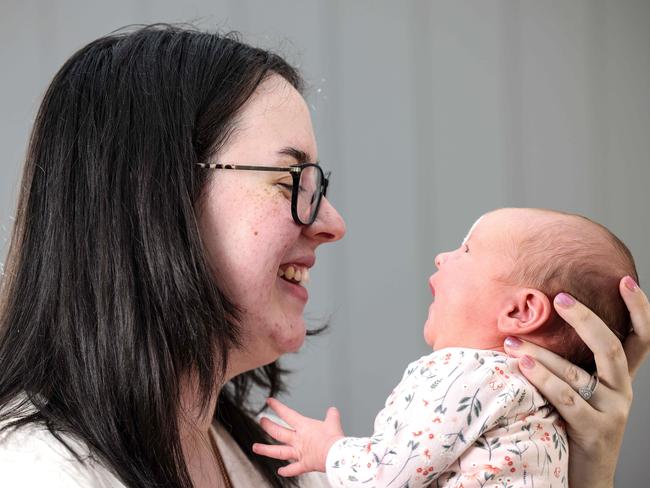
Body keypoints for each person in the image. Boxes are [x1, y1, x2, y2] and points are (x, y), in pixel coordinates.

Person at [0, 24, 647, 488]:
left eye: (321, 188)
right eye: (291, 182)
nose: (333, 224)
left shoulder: (261, 461)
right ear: (152, 194)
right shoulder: (35, 471)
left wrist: (580, 474)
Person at [253, 208, 638, 487]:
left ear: (521, 310)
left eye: (466, 250)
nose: (443, 257)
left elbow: (385, 477)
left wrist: (328, 450)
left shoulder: (462, 373)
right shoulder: (549, 404)